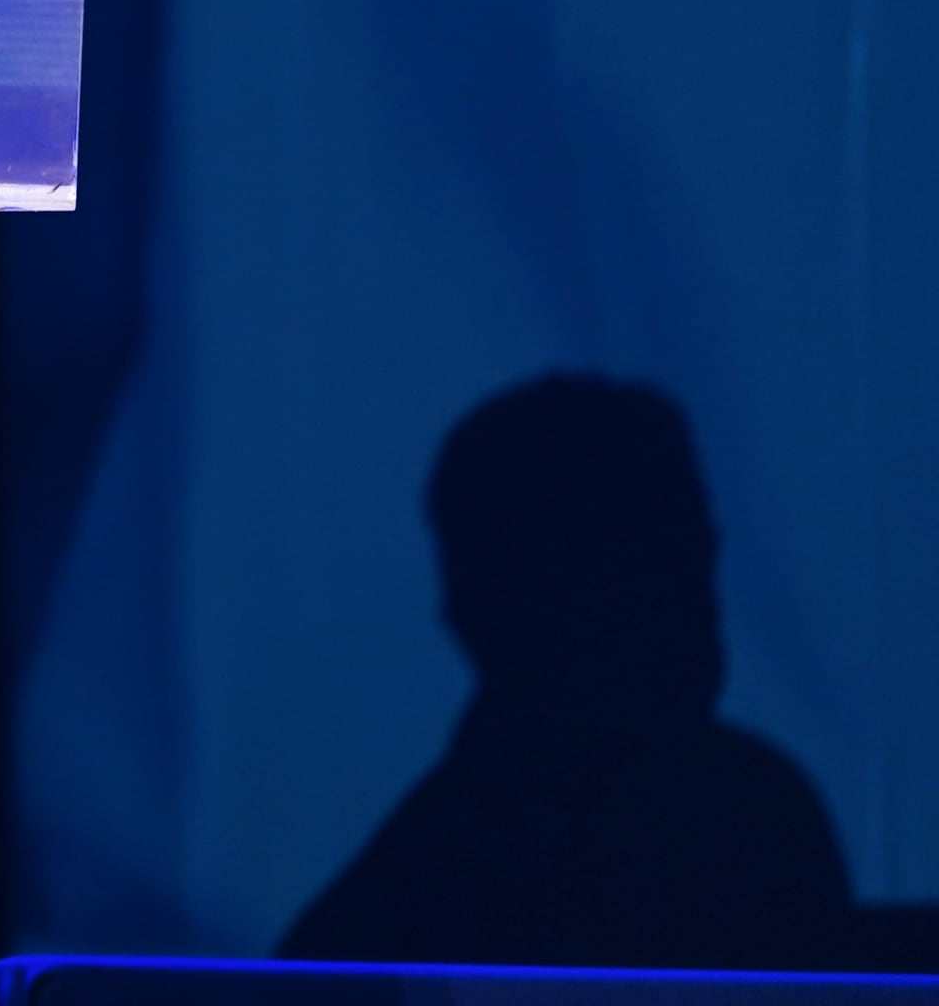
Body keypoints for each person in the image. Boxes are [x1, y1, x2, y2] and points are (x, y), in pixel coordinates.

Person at [280, 371, 855, 970]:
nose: (694, 591)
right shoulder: (383, 937)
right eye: (637, 561)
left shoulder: (758, 815)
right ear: (494, 607)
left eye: (694, 551)